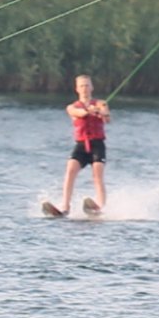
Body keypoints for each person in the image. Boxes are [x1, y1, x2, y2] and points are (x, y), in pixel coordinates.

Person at [59, 75, 111, 214]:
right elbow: (78, 113)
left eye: (87, 85)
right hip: (81, 145)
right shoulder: (72, 107)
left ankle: (100, 206)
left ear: (92, 87)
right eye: (81, 86)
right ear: (77, 89)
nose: (85, 88)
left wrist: (100, 111)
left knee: (97, 175)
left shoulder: (101, 103)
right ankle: (65, 207)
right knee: (70, 171)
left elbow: (107, 115)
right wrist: (89, 110)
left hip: (97, 145)